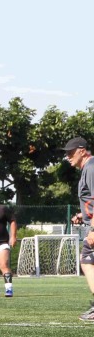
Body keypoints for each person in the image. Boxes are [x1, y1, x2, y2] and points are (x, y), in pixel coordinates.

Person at [63, 137, 94, 320]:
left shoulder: (90, 168)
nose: (68, 156)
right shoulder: (87, 169)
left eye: (70, 152)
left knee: (87, 261)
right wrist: (83, 215)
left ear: (82, 150)